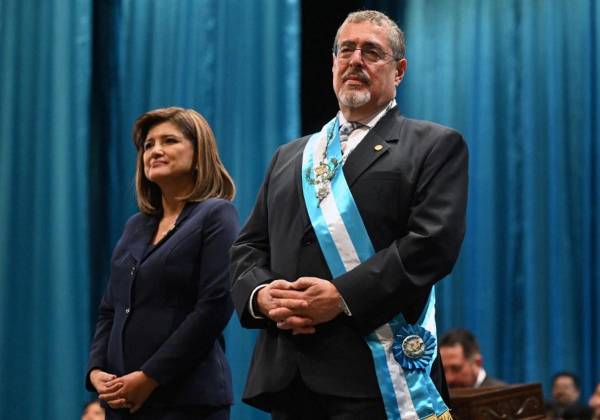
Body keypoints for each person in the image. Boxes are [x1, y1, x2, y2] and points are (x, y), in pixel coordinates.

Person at [230, 10, 468, 420]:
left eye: (371, 52)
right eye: (346, 50)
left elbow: (432, 244)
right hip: (289, 375)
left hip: (373, 378)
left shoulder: (433, 144)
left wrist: (341, 298)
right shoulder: (289, 156)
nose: (355, 60)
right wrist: (263, 297)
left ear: (400, 71)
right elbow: (249, 246)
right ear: (333, 63)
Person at [86, 107, 238, 419]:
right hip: (122, 401)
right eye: (148, 145)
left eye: (169, 141)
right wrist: (96, 370)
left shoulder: (216, 215)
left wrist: (150, 377)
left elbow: (213, 308)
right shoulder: (135, 226)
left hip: (186, 401)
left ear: (199, 155)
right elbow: (109, 310)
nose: (155, 150)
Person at [438, 328, 505, 389]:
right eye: (443, 371)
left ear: (477, 363)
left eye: (456, 369)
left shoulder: (503, 395)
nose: (449, 378)